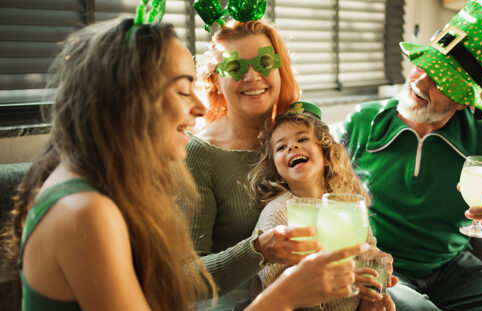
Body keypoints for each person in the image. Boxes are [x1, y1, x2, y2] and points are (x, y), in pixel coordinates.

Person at [1, 14, 367, 311]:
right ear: (129, 98)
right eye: (181, 89)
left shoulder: (103, 187)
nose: (198, 106)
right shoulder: (86, 212)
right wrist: (284, 296)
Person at [334, 0, 482, 310]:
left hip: (453, 267)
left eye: (439, 80)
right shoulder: (362, 122)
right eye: (423, 66)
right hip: (381, 264)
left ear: (464, 101)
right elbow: (315, 186)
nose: (420, 82)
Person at [181, 19, 316, 308]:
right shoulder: (199, 154)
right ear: (216, 79)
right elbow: (184, 277)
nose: (253, 76)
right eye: (234, 67)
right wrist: (259, 250)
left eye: (265, 62)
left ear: (280, 69)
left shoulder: (304, 135)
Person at [248, 101, 398, 310]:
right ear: (276, 169)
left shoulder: (348, 204)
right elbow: (273, 286)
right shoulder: (279, 213)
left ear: (326, 155)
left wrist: (376, 266)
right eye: (281, 147)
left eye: (302, 139)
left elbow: (367, 247)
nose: (293, 146)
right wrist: (345, 280)